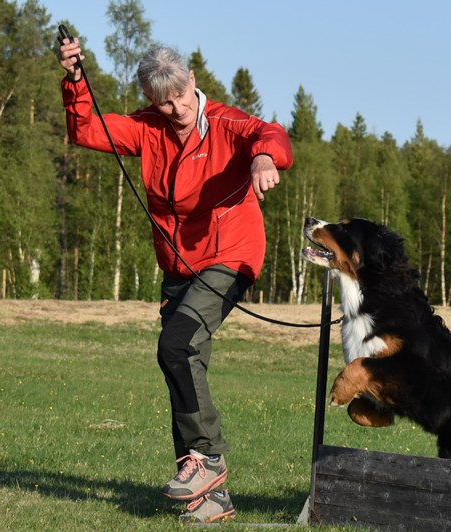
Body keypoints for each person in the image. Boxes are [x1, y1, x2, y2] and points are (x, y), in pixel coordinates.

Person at [57, 36, 292, 524]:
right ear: (150, 100)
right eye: (162, 102)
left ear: (192, 83)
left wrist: (265, 159)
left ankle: (206, 459)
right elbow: (86, 130)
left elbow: (270, 134)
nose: (176, 108)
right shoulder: (149, 129)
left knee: (175, 346)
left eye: (180, 96)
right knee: (184, 368)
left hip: (231, 255)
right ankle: (209, 498)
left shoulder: (226, 123)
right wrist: (76, 81)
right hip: (178, 267)